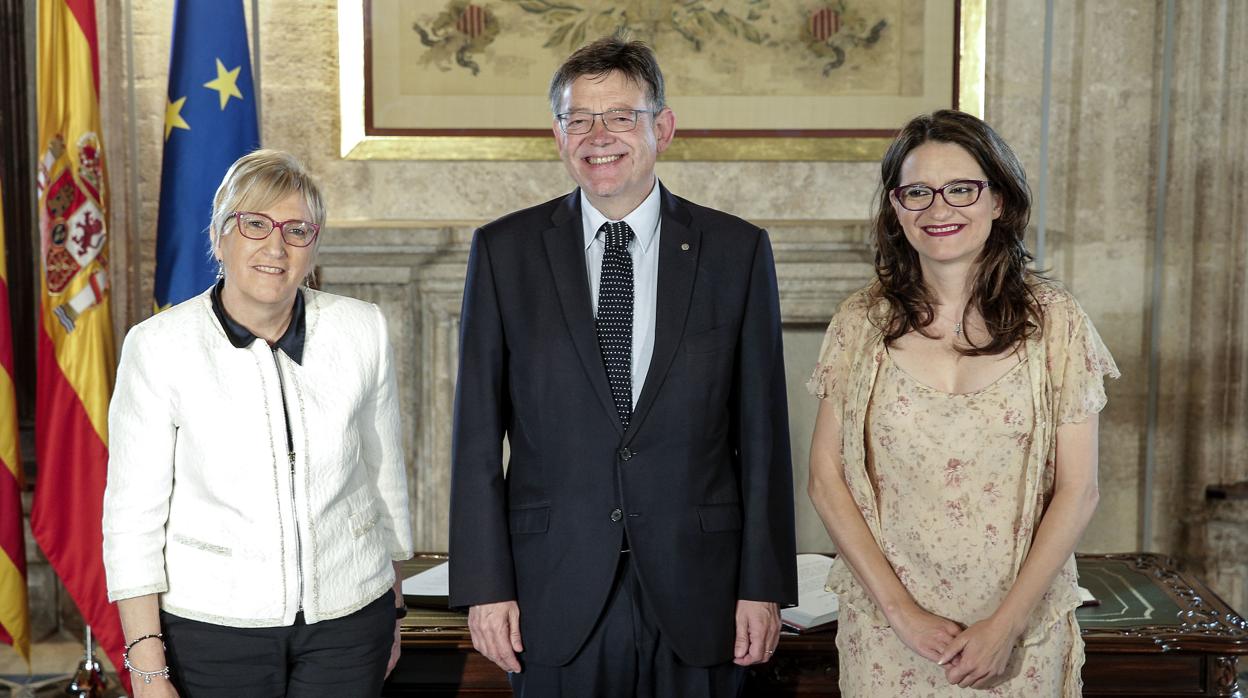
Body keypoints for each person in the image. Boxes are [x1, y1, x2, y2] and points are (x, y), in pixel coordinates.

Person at [448, 36, 798, 697]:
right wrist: (485, 587)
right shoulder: (504, 252)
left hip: (703, 591)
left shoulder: (736, 251)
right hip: (553, 592)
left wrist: (764, 584)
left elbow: (762, 436)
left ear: (661, 127)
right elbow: (474, 438)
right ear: (558, 135)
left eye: (619, 116)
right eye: (578, 118)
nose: (596, 135)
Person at [807, 110, 1119, 696]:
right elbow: (827, 479)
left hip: (1018, 632)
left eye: (961, 189)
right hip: (888, 631)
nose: (938, 209)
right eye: (917, 192)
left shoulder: (1057, 323)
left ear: (998, 200)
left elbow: (1080, 489)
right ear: (896, 209)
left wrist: (1006, 626)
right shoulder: (860, 322)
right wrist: (902, 613)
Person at [102, 149, 414, 697]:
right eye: (254, 224)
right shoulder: (158, 348)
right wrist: (147, 666)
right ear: (220, 237)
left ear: (313, 246)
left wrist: (391, 606)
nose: (276, 246)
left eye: (297, 229)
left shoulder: (361, 329)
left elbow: (381, 474)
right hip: (213, 630)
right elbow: (132, 519)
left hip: (348, 622)